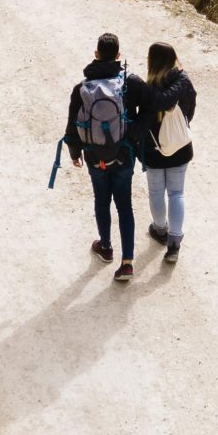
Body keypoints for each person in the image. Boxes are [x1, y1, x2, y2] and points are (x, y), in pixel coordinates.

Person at [64, 32, 154, 282]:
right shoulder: (129, 83)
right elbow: (151, 106)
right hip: (123, 154)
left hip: (95, 157)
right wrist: (135, 133)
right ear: (118, 55)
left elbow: (72, 123)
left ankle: (105, 247)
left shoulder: (81, 89)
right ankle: (127, 263)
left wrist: (74, 151)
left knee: (101, 200)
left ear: (95, 54)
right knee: (124, 205)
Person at [137, 41, 196, 263]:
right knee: (176, 193)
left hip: (153, 149)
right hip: (180, 147)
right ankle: (174, 245)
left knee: (155, 192)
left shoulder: (149, 88)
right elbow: (190, 110)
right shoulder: (184, 81)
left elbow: (142, 118)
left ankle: (160, 229)